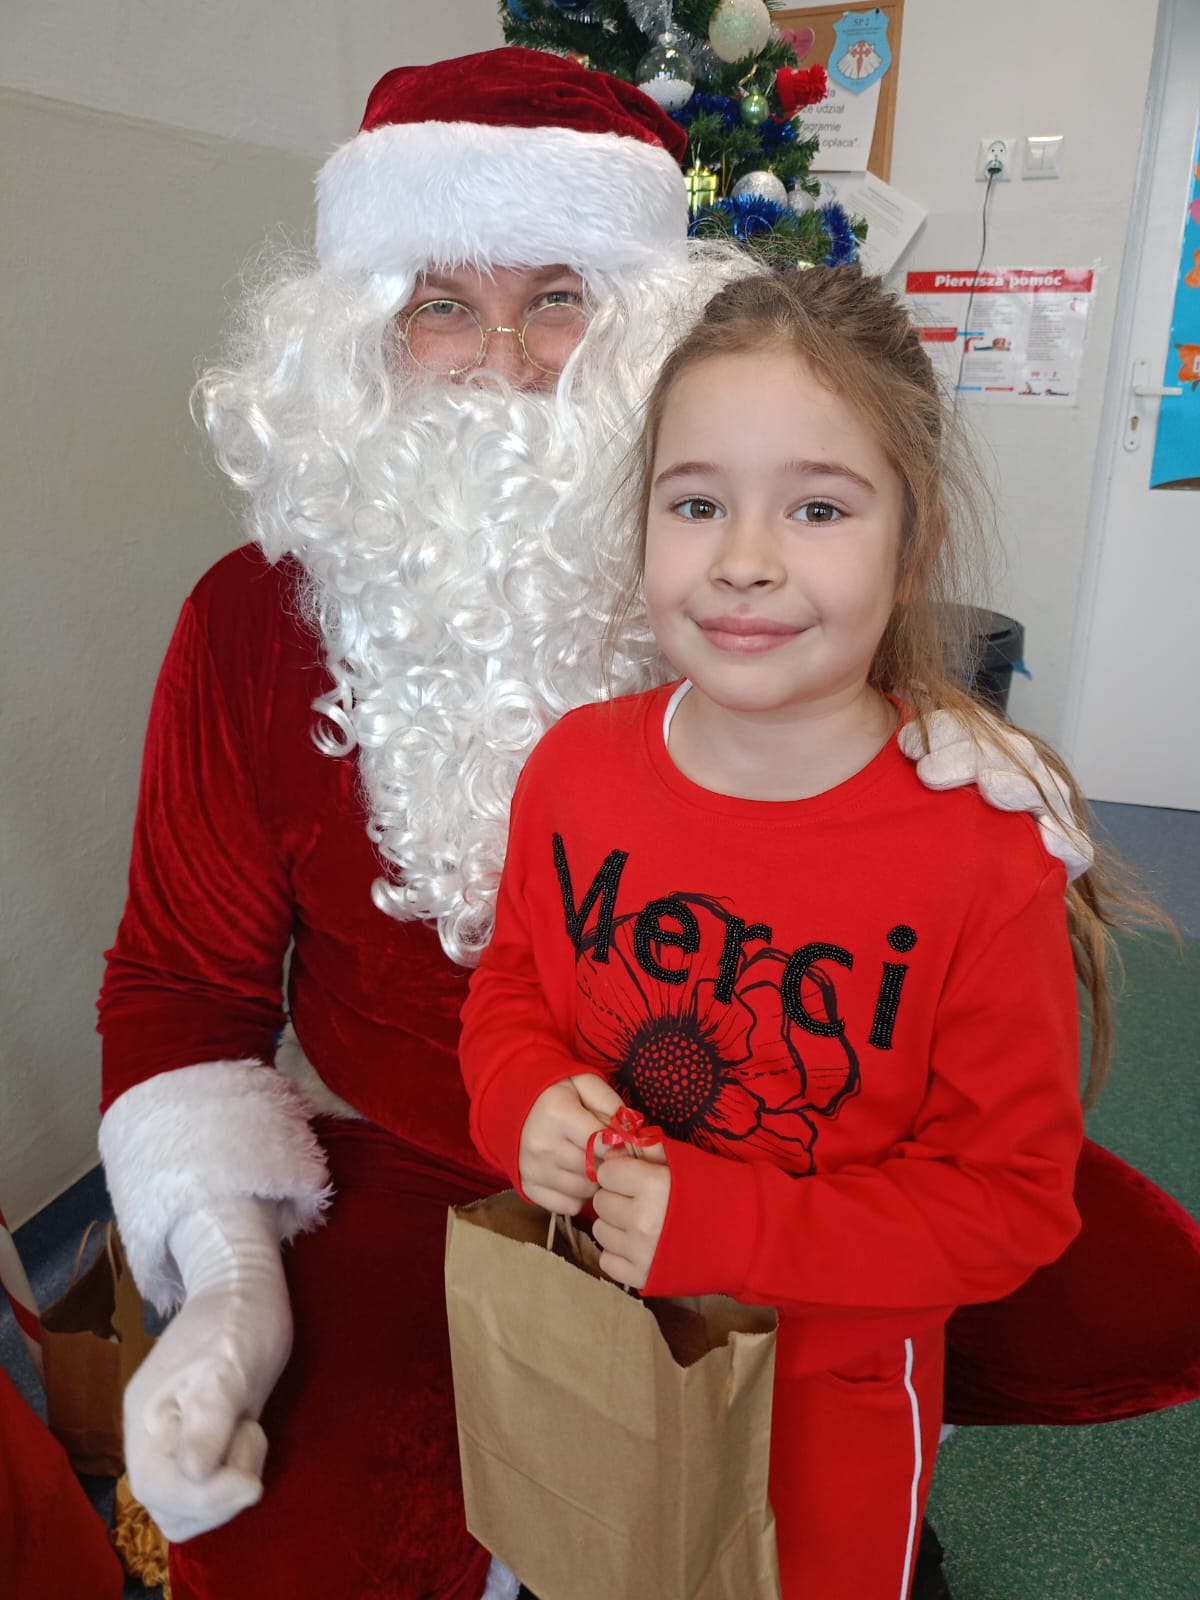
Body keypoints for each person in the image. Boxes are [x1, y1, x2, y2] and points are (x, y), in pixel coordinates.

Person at [94, 46, 1196, 1600]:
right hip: (414, 1166)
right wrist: (228, 1287)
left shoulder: (731, 596)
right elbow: (184, 989)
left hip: (803, 1156)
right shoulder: (249, 627)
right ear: (359, 341)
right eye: (438, 303)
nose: (500, 361)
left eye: (558, 296)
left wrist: (933, 724)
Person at [457, 266, 1145, 1600]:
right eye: (696, 503)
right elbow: (512, 993)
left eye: (818, 508)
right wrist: (520, 1099)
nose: (745, 559)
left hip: (829, 1418)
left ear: (912, 546)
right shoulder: (576, 771)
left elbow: (1009, 1203)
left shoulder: (979, 854)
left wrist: (729, 1225)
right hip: (592, 1354)